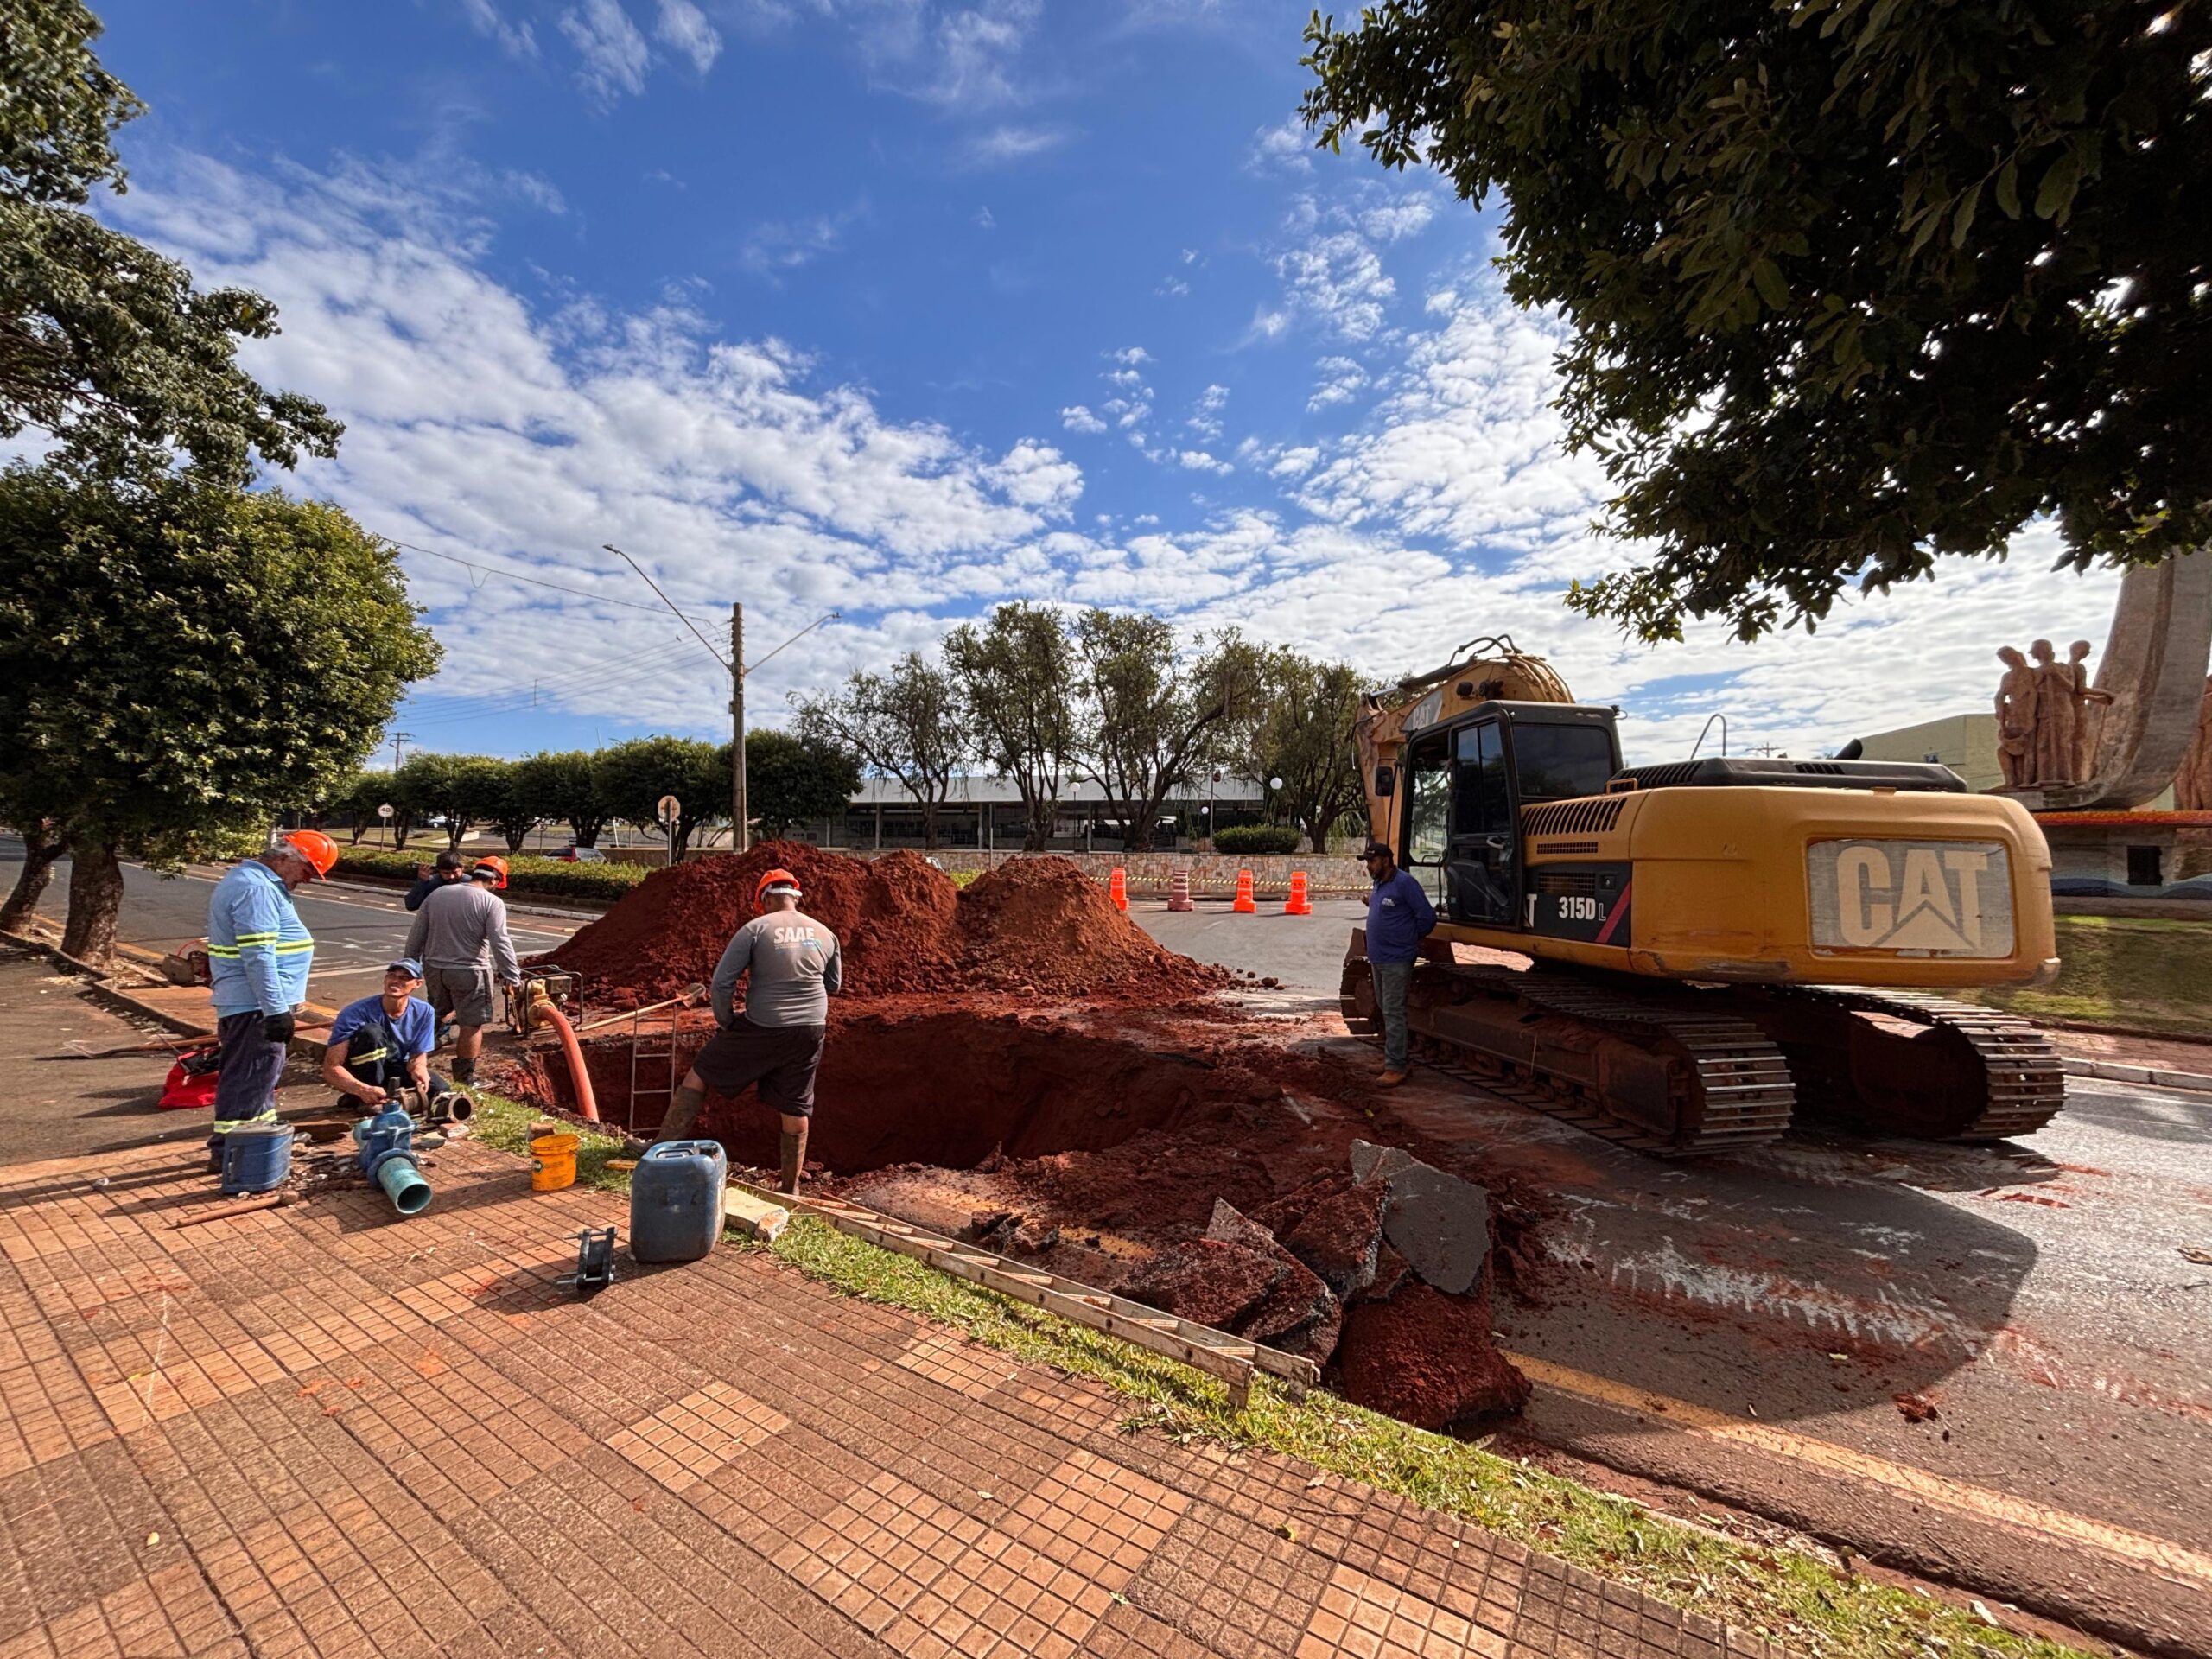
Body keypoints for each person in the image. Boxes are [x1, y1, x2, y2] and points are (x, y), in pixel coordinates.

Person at [638, 867, 840, 1195]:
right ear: (795, 896)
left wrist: (727, 1020)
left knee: (701, 1072)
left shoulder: (755, 929)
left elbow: (722, 982)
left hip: (764, 1023)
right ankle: (790, 1189)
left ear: (764, 899)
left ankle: (658, 1149)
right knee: (796, 1103)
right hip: (812, 1027)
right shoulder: (825, 933)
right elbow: (833, 984)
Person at [206, 830, 337, 1133]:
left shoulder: (255, 883)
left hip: (252, 1005)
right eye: (308, 870)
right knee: (250, 1080)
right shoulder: (257, 890)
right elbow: (259, 955)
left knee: (257, 1080)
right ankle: (238, 1152)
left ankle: (256, 1144)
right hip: (256, 1008)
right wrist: (276, 1010)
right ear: (284, 858)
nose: (308, 880)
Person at [401, 862, 520, 1086]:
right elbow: (500, 941)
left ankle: (410, 1066)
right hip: (470, 971)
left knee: (436, 1016)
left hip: (434, 969)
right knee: (471, 1023)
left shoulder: (437, 894)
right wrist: (512, 976)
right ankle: (465, 1079)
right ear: (494, 881)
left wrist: (410, 965)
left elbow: (417, 933)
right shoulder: (491, 902)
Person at [1361, 839, 1436, 1087]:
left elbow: (1427, 917)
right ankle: (1392, 1058)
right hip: (1379, 957)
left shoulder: (1405, 883)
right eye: (1368, 862)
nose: (1369, 866)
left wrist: (1408, 940)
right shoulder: (1379, 883)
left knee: (1394, 1011)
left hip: (1396, 959)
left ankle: (1397, 1067)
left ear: (1386, 860)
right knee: (1385, 1008)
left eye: (1372, 861)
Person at [321, 958, 445, 1109]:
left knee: (440, 1089)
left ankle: (379, 1095)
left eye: (404, 978)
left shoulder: (424, 1012)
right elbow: (331, 1067)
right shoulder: (355, 1012)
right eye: (391, 975)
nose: (395, 981)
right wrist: (360, 1089)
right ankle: (364, 1095)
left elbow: (417, 1055)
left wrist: (419, 1067)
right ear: (385, 979)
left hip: (394, 1066)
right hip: (362, 1070)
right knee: (372, 1033)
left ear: (417, 984)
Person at [404, 848, 466, 912]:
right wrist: (422, 881)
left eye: (454, 872)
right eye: (446, 873)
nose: (451, 876)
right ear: (439, 871)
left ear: (462, 868)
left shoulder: (471, 883)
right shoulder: (433, 883)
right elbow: (410, 905)